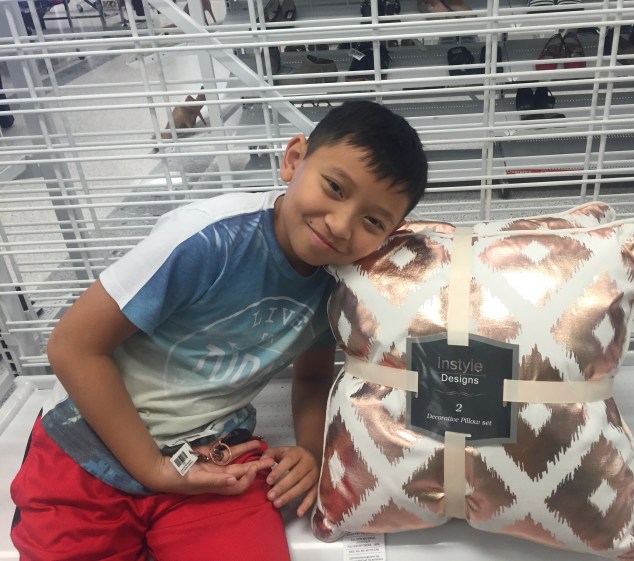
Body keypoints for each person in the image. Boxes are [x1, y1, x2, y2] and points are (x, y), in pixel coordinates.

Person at [10, 100, 428, 561]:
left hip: (215, 457)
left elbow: (311, 377)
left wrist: (310, 450)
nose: (340, 225)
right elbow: (72, 347)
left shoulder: (340, 287)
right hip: (89, 444)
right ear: (293, 159)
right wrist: (154, 469)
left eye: (373, 221)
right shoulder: (208, 239)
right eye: (334, 187)